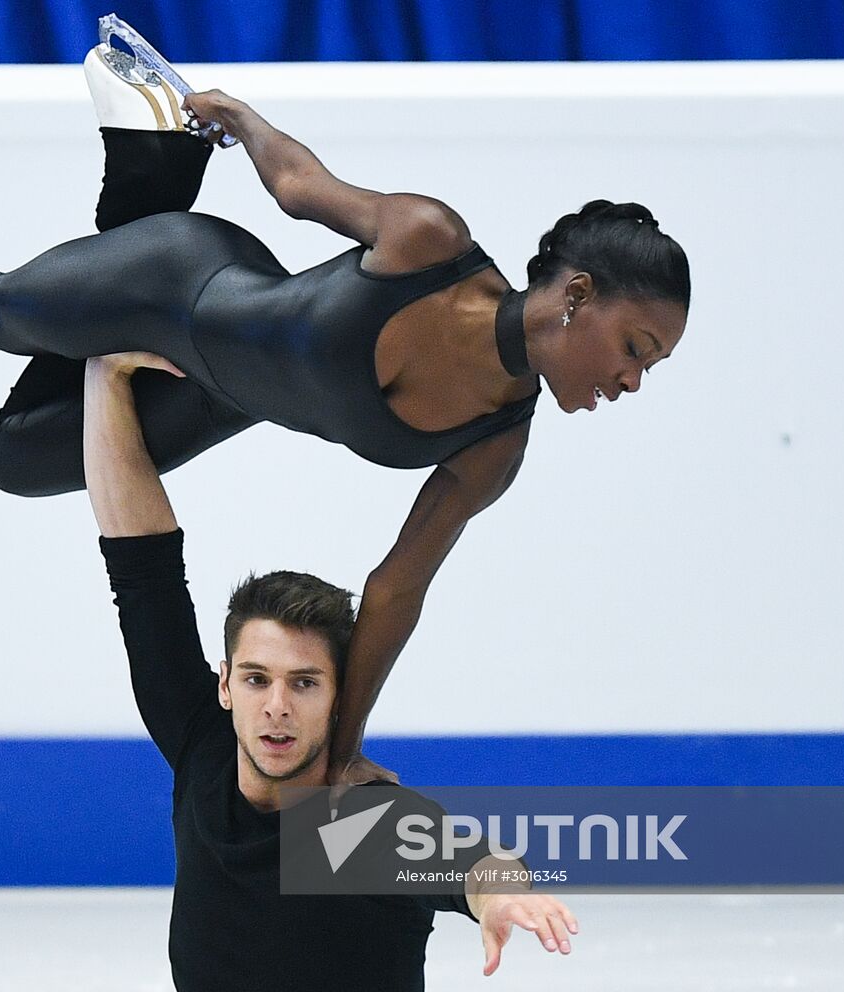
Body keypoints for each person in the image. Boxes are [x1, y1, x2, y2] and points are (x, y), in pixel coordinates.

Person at [0, 34, 691, 787]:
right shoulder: (430, 240)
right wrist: (244, 122)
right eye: (636, 351)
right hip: (185, 281)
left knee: (16, 458)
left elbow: (390, 590)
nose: (632, 381)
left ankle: (146, 170)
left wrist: (336, 752)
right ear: (575, 298)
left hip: (216, 393)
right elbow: (298, 192)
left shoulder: (495, 447)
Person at [83, 346, 578, 989]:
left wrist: (502, 895)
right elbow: (139, 558)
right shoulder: (201, 743)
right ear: (226, 686)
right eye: (257, 679)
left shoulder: (361, 830)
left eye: (305, 683)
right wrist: (106, 372)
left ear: (342, 695)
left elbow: (472, 863)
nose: (277, 705)